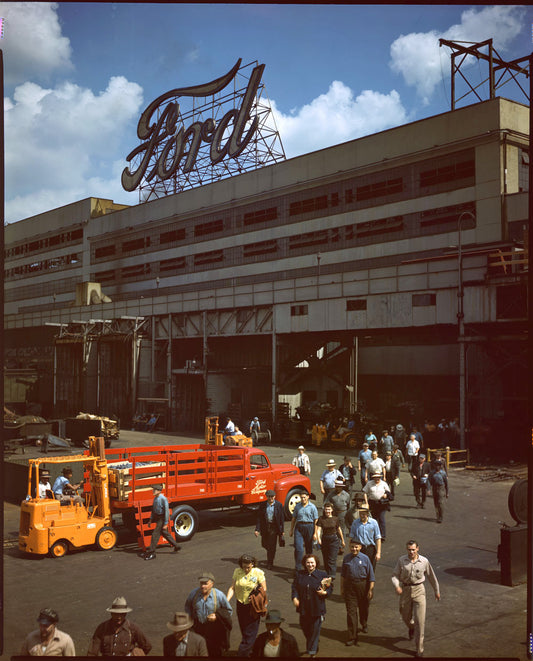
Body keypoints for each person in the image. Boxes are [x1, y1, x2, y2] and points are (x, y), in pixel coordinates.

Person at [392, 539, 440, 658]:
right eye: (409, 549)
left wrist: (436, 591)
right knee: (405, 615)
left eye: (413, 549)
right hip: (406, 591)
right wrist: (397, 585)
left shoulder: (424, 561)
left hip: (419, 591)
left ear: (418, 548)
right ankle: (411, 627)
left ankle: (419, 649)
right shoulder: (402, 560)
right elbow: (394, 575)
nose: (411, 552)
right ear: (406, 549)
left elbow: (432, 577)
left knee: (420, 621)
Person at [291, 553, 333, 657]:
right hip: (304, 607)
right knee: (305, 628)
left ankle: (312, 652)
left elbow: (329, 587)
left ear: (316, 563)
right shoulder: (299, 574)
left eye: (312, 563)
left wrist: (325, 593)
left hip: (317, 607)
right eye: (308, 562)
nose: (310, 565)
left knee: (315, 630)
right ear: (305, 563)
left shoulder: (322, 575)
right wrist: (295, 597)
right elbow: (294, 587)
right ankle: (313, 644)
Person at [227, 554, 267, 657]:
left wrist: (255, 595)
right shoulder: (237, 571)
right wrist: (227, 601)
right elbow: (232, 588)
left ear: (252, 564)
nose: (246, 569)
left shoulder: (258, 573)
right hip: (240, 604)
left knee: (251, 631)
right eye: (244, 567)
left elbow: (264, 589)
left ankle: (242, 653)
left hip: (252, 606)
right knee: (244, 630)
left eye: (248, 567)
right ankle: (250, 652)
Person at [184, 571, 233, 657]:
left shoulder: (219, 595)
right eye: (201, 583)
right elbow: (187, 607)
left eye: (205, 583)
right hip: (198, 628)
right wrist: (190, 621)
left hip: (214, 630)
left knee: (215, 652)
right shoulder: (193, 594)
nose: (203, 586)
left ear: (212, 584)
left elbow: (228, 611)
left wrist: (217, 616)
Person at [87, 596, 152, 656]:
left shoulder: (133, 629)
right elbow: (92, 653)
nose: (119, 617)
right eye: (116, 614)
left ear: (126, 613)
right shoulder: (102, 628)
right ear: (111, 613)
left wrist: (137, 652)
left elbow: (147, 646)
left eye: (122, 614)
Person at [341, 540, 375, 646]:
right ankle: (352, 635)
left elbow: (371, 576)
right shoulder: (346, 558)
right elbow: (343, 575)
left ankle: (364, 623)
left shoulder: (365, 559)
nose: (354, 549)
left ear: (360, 547)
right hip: (350, 587)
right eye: (352, 547)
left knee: (363, 608)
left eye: (356, 547)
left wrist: (370, 590)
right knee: (351, 611)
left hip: (363, 586)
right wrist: (342, 588)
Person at [142, 484, 181, 559]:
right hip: (157, 517)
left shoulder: (163, 499)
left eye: (155, 490)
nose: (153, 491)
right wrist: (150, 520)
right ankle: (177, 546)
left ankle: (152, 553)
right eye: (153, 489)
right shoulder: (155, 499)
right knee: (164, 533)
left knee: (155, 534)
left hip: (162, 518)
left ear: (159, 491)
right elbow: (153, 510)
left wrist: (166, 523)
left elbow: (166, 512)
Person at [255, 489, 285, 569]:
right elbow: (259, 518)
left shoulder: (278, 505)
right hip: (265, 527)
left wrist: (282, 531)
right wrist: (257, 529)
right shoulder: (263, 505)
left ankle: (270, 562)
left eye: (272, 496)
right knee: (264, 544)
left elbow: (281, 518)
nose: (271, 498)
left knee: (272, 545)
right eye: (269, 496)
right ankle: (270, 552)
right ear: (266, 497)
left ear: (274, 497)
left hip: (274, 528)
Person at [289, 491, 319, 571]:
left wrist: (315, 533)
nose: (303, 499)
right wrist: (291, 530)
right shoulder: (297, 506)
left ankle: (309, 567)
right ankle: (298, 568)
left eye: (304, 497)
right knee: (299, 549)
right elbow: (293, 519)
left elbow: (316, 520)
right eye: (301, 497)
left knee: (309, 549)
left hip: (309, 527)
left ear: (308, 497)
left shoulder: (312, 507)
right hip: (299, 527)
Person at [316, 502, 344, 579]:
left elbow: (339, 530)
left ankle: (331, 576)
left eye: (329, 509)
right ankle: (327, 574)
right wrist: (318, 538)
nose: (327, 511)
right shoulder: (321, 519)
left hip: (334, 540)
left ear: (332, 510)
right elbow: (318, 529)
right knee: (326, 558)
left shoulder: (335, 519)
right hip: (325, 539)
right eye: (326, 509)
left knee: (332, 559)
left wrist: (342, 540)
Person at [362, 472, 392, 540]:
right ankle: (374, 535)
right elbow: (364, 493)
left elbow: (388, 492)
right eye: (375, 477)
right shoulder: (369, 483)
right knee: (374, 520)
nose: (377, 479)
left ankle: (383, 535)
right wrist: (366, 502)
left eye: (378, 477)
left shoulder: (384, 483)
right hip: (373, 503)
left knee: (381, 518)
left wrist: (386, 495)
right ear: (373, 477)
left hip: (382, 504)